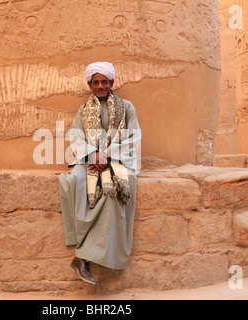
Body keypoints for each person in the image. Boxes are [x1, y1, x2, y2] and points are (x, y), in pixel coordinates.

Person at [58, 62, 141, 285]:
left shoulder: (127, 107)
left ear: (112, 82)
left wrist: (108, 158)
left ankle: (83, 256)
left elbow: (133, 138)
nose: (100, 86)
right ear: (90, 85)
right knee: (74, 180)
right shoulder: (84, 110)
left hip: (118, 160)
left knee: (112, 189)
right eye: (96, 82)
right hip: (90, 159)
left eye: (104, 81)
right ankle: (83, 250)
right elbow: (76, 136)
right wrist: (92, 155)